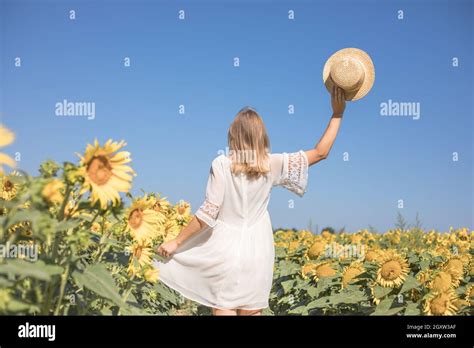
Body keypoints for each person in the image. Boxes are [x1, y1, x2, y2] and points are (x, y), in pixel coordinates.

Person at [153, 85, 346, 316]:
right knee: (252, 311)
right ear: (261, 136)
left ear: (232, 135)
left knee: (223, 307)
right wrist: (337, 113)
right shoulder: (271, 164)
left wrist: (176, 242)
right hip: (258, 250)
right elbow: (321, 152)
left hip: (224, 250)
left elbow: (208, 213)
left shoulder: (222, 164)